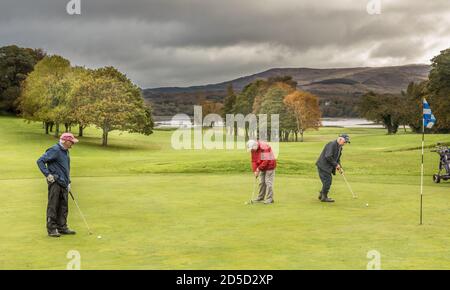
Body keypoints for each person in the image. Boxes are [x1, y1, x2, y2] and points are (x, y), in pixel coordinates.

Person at [37, 133, 79, 237]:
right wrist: (48, 175)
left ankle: (62, 227)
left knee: (63, 207)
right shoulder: (55, 150)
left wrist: (68, 182)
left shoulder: (66, 151)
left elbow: (66, 169)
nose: (73, 143)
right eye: (71, 141)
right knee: (53, 205)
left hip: (64, 183)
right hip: (55, 182)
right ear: (66, 141)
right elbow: (40, 161)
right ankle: (52, 229)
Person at [315, 134, 350, 202]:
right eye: (344, 142)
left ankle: (322, 195)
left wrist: (340, 167)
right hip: (323, 166)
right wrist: (336, 165)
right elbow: (328, 156)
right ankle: (324, 197)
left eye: (346, 142)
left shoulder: (340, 147)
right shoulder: (332, 144)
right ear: (340, 139)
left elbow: (337, 159)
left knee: (327, 182)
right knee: (327, 181)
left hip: (327, 167)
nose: (345, 143)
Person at [246, 140, 277, 204]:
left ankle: (270, 199)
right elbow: (253, 161)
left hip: (270, 165)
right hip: (261, 165)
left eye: (252, 149)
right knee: (261, 182)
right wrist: (255, 170)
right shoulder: (253, 150)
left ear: (255, 145)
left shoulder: (264, 147)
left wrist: (258, 169)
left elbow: (266, 160)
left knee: (268, 182)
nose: (252, 151)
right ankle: (260, 197)